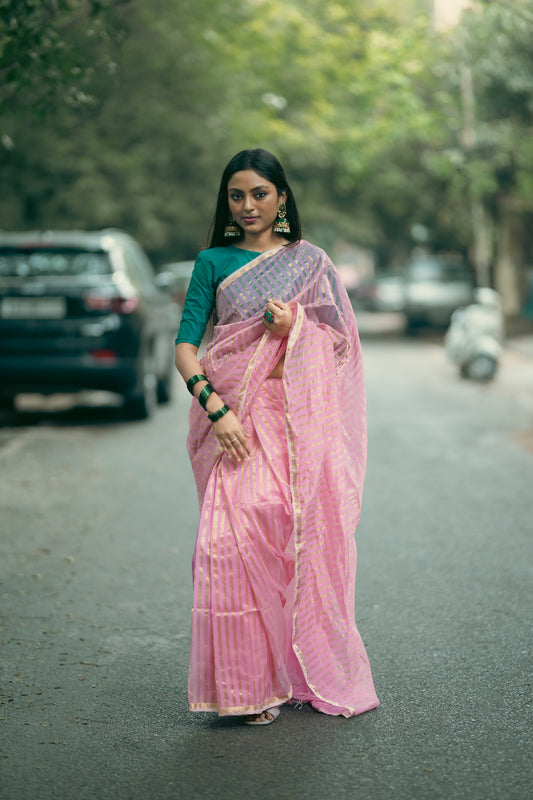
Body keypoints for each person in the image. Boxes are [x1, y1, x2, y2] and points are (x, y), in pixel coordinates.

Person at [174, 148, 379, 725]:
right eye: (236, 196)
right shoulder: (211, 262)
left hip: (290, 418)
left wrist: (296, 328)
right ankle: (244, 686)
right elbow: (186, 345)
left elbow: (341, 345)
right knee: (223, 545)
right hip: (232, 419)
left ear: (281, 198)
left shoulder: (308, 261)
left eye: (259, 195)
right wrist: (216, 408)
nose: (247, 207)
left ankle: (290, 667)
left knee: (280, 534)